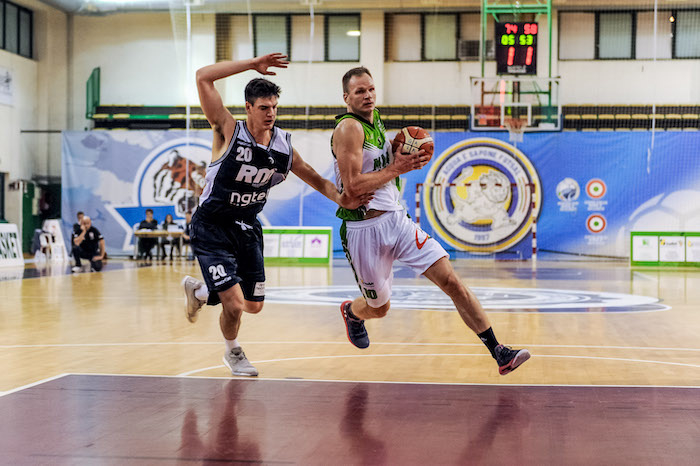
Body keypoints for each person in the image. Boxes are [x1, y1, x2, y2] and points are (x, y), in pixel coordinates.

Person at [181, 53, 371, 377]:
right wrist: (251, 64)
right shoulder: (228, 130)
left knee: (254, 305)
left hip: (247, 228)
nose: (270, 114)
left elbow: (314, 177)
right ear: (249, 108)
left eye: (274, 108)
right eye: (264, 108)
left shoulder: (282, 144)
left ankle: (200, 291)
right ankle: (233, 352)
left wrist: (342, 199)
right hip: (211, 225)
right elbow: (202, 77)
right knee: (235, 304)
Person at [332, 66, 530, 375]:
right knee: (379, 308)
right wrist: (400, 167)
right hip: (363, 230)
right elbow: (354, 185)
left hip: (396, 221)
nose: (368, 95)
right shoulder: (348, 129)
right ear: (346, 97)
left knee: (451, 281)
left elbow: (382, 170)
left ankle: (499, 351)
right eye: (360, 91)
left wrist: (400, 156)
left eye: (370, 89)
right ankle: (352, 312)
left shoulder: (376, 121)